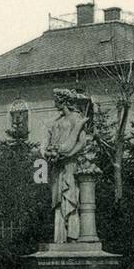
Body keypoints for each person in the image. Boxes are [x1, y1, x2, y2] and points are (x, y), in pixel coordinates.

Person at [44, 88, 93, 243]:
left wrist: (68, 154)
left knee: (70, 196)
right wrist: (49, 153)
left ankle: (72, 235)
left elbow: (81, 142)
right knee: (58, 198)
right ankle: (60, 237)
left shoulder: (76, 118)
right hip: (57, 165)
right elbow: (48, 141)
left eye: (56, 99)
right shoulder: (56, 121)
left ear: (63, 101)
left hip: (70, 163)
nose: (54, 102)